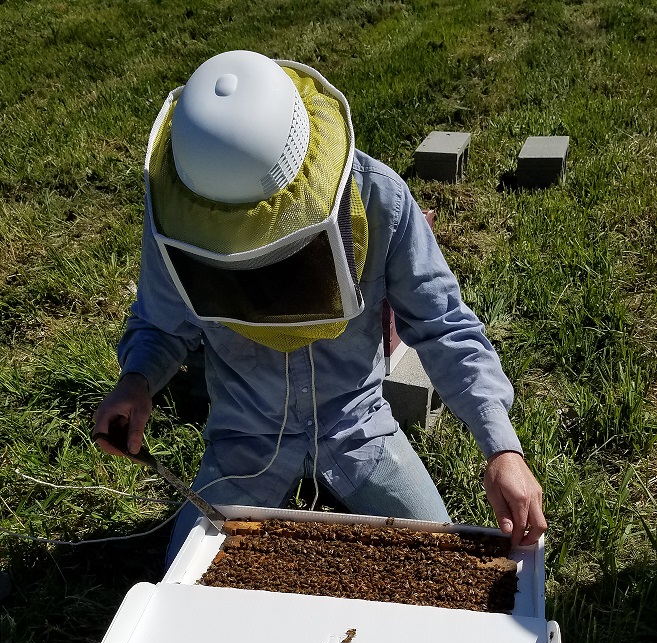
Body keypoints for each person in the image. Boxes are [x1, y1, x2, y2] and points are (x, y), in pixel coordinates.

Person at [93, 50, 547, 568]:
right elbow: (161, 319)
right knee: (185, 585)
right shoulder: (177, 219)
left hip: (357, 426)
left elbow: (443, 325)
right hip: (244, 437)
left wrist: (501, 446)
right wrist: (137, 380)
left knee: (439, 568)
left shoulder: (380, 198)